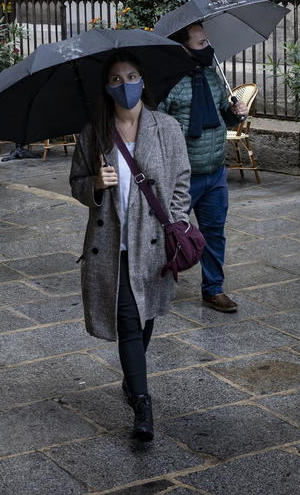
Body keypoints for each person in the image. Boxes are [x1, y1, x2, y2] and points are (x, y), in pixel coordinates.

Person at [70, 51, 191, 442]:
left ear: (143, 81)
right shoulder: (94, 132)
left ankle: (131, 379)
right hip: (111, 244)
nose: (126, 85)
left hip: (153, 241)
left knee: (145, 315)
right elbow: (76, 183)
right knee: (127, 320)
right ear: (107, 88)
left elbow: (182, 179)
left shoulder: (166, 127)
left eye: (132, 76)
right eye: (117, 79)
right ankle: (142, 402)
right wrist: (95, 184)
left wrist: (177, 220)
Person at [158, 22, 248, 313]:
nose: (208, 48)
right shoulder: (167, 82)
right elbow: (156, 128)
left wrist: (235, 113)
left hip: (215, 171)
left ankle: (213, 289)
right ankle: (159, 283)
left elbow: (223, 116)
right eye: (201, 44)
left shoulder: (213, 75)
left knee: (214, 233)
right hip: (182, 176)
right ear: (183, 48)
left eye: (207, 41)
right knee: (170, 233)